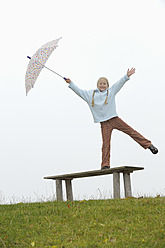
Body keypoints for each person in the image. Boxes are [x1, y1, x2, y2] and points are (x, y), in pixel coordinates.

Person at [64, 68, 158, 170]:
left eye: (104, 84)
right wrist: (71, 83)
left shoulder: (111, 91)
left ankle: (149, 145)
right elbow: (79, 91)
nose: (102, 85)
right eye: (100, 83)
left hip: (114, 119)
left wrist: (126, 76)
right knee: (106, 143)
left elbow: (119, 84)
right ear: (97, 85)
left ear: (107, 86)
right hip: (104, 123)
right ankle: (105, 165)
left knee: (131, 132)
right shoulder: (90, 95)